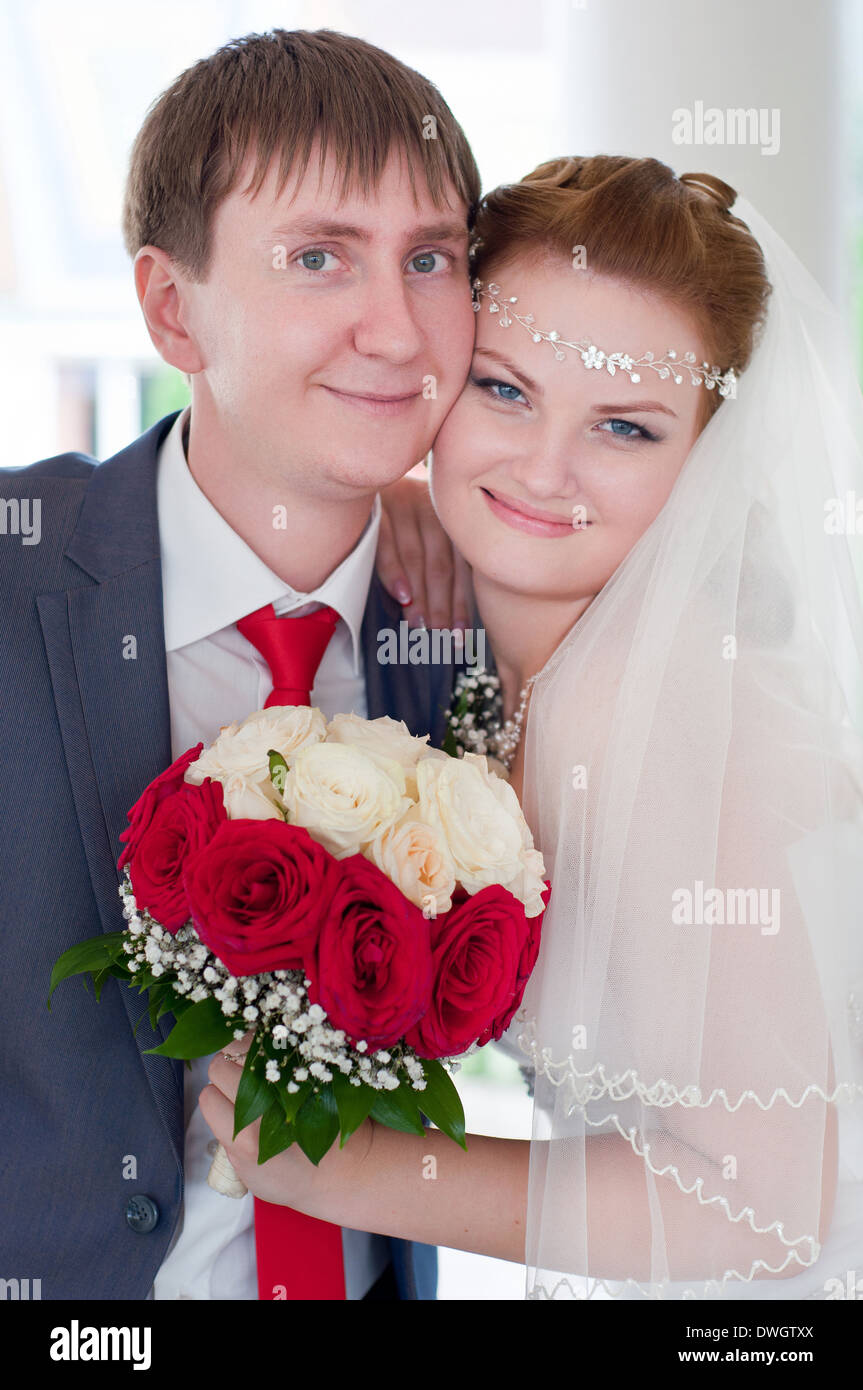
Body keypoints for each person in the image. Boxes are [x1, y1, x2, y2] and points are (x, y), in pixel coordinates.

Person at [203, 155, 863, 1300]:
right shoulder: (512, 658)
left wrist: (351, 1171)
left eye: (625, 428)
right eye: (502, 391)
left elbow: (761, 1206)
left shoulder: (646, 707)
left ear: (705, 461)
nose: (541, 469)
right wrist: (390, 494)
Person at [0, 27, 483, 1301]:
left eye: (429, 258)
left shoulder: (482, 617)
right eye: (318, 257)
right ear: (174, 309)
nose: (396, 330)